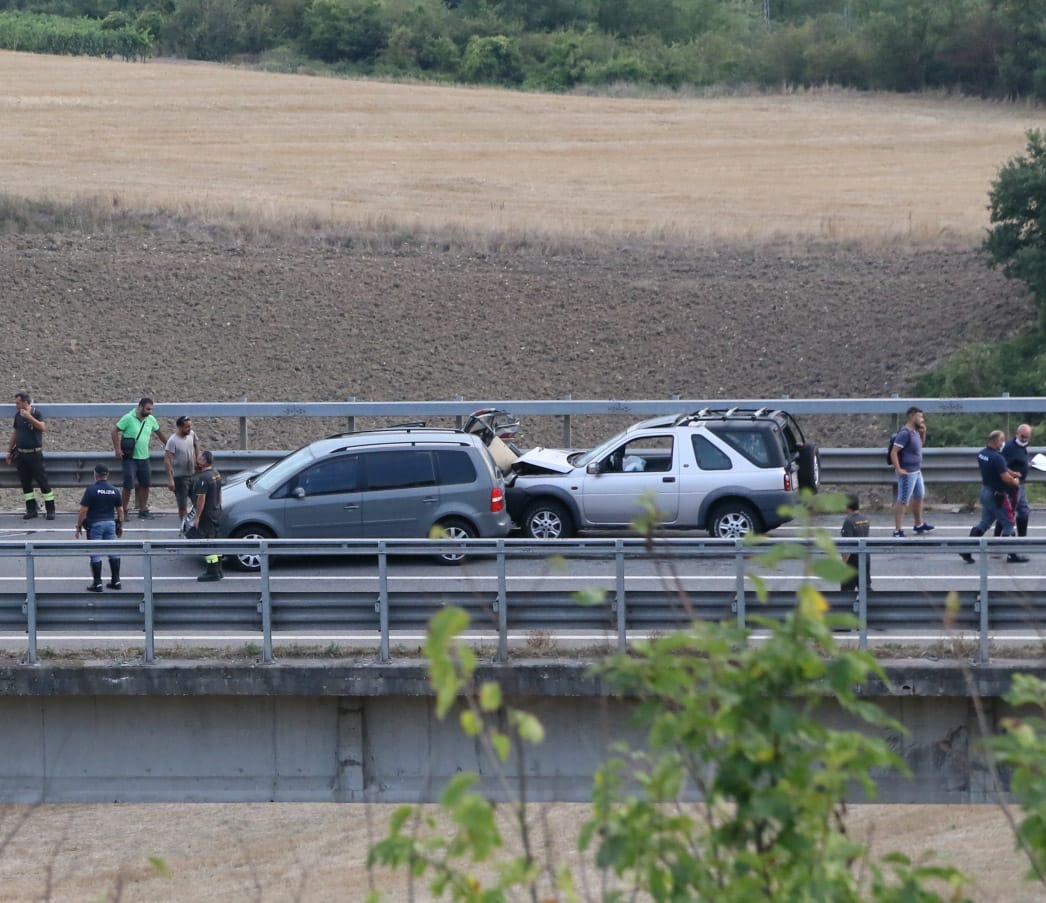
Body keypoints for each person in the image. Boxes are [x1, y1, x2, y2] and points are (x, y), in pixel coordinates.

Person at [961, 429, 1029, 564]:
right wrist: (1014, 481)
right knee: (1009, 522)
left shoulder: (982, 454)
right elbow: (1004, 477)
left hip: (985, 492)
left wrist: (1011, 472)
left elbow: (1001, 468)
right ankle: (1012, 555)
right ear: (997, 441)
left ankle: (965, 549)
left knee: (984, 523)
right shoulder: (997, 457)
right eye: (1002, 441)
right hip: (997, 495)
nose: (1003, 443)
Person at [112, 397, 168, 520]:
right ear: (140, 407)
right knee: (128, 486)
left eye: (151, 409)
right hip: (130, 458)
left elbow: (160, 433)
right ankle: (123, 511)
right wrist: (117, 449)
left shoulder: (151, 420)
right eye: (148, 409)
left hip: (144, 457)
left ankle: (143, 510)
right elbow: (114, 431)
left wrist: (169, 447)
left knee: (146, 484)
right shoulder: (128, 418)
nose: (150, 412)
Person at [7, 391, 57, 520]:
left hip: (34, 453)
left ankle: (50, 509)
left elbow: (42, 427)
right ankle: (31, 509)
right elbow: (15, 433)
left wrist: (29, 417)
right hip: (21, 454)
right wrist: (9, 451)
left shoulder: (36, 413)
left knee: (42, 481)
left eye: (18, 402)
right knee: (25, 483)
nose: (16, 405)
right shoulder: (17, 416)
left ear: (25, 402)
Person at [75, 463, 125, 592]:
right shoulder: (114, 490)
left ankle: (97, 583)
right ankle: (116, 580)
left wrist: (79, 526)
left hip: (95, 524)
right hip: (110, 524)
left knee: (95, 553)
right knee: (113, 552)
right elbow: (120, 510)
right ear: (107, 475)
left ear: (95, 474)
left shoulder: (91, 490)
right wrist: (120, 526)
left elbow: (83, 511)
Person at [890, 406, 934, 538]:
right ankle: (897, 530)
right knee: (903, 500)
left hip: (917, 471)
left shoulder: (915, 431)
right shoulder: (905, 433)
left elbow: (919, 446)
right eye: (919, 417)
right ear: (911, 417)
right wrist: (898, 469)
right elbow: (894, 452)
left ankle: (918, 523)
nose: (922, 419)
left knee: (919, 496)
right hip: (907, 472)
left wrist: (923, 432)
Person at [995, 423, 1033, 539]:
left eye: (1027, 437)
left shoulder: (1022, 446)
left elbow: (1019, 460)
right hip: (1011, 486)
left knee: (1024, 511)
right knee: (1007, 513)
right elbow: (1002, 466)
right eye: (1022, 436)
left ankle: (1022, 539)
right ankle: (997, 539)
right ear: (1017, 434)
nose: (1024, 439)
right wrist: (1013, 476)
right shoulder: (1010, 448)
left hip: (1020, 485)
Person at [191, 450, 223, 581]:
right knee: (216, 542)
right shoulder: (216, 474)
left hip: (207, 515)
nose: (197, 460)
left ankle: (212, 572)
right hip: (216, 512)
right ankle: (218, 569)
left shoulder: (203, 478)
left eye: (199, 458)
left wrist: (197, 517)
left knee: (208, 543)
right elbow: (220, 493)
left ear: (204, 461)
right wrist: (218, 506)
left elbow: (201, 499)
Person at [165, 415, 201, 531]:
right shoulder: (172, 441)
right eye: (186, 427)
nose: (189, 429)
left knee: (198, 500)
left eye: (190, 426)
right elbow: (167, 460)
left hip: (193, 474)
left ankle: (197, 523)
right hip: (180, 477)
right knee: (182, 505)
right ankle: (184, 526)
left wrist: (198, 460)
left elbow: (196, 445)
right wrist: (170, 479)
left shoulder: (192, 434)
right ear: (179, 427)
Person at [840, 493, 871, 593]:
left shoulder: (848, 522)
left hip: (852, 563)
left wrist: (843, 564)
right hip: (865, 559)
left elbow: (848, 546)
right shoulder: (865, 519)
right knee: (866, 590)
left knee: (846, 593)